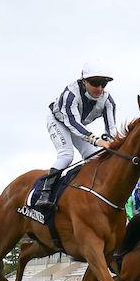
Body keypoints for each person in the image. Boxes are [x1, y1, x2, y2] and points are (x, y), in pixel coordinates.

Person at [35, 63, 118, 209]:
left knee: (95, 157)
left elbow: (111, 128)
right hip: (59, 120)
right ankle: (44, 194)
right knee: (66, 155)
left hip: (78, 125)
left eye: (103, 84)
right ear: (84, 81)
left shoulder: (108, 101)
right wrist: (97, 140)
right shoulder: (71, 94)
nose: (99, 88)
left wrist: (112, 142)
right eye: (95, 83)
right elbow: (72, 123)